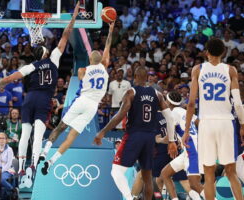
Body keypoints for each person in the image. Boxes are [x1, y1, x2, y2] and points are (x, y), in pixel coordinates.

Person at [0, 2, 81, 187]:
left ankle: (22, 167)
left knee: (25, 133)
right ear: (45, 52)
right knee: (38, 135)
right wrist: (73, 17)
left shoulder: (31, 66)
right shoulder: (54, 59)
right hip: (43, 100)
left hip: (29, 98)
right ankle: (33, 165)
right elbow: (65, 36)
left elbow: (8, 80)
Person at [40, 21, 114, 175]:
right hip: (93, 106)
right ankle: (52, 162)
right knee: (72, 137)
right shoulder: (104, 66)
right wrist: (111, 28)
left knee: (61, 127)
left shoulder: (82, 70)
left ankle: (44, 152)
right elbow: (107, 46)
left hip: (82, 100)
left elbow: (80, 77)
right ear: (102, 60)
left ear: (90, 60)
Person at [93, 66, 177, 200]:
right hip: (150, 138)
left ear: (136, 77)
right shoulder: (157, 94)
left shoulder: (131, 92)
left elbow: (120, 115)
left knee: (116, 172)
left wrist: (103, 131)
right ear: (147, 78)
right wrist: (171, 140)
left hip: (134, 135)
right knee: (147, 177)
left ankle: (129, 198)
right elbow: (170, 118)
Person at [183, 38, 244, 200]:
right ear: (223, 52)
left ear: (207, 52)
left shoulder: (197, 69)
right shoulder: (231, 70)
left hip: (206, 124)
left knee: (209, 174)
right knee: (231, 172)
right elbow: (238, 103)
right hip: (226, 123)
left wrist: (187, 130)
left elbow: (190, 104)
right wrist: (243, 125)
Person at [160, 92, 203, 200]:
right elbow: (199, 122)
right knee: (165, 174)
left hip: (192, 149)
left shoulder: (173, 113)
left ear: (168, 102)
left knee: (194, 184)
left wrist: (158, 139)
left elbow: (169, 136)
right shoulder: (184, 111)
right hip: (190, 148)